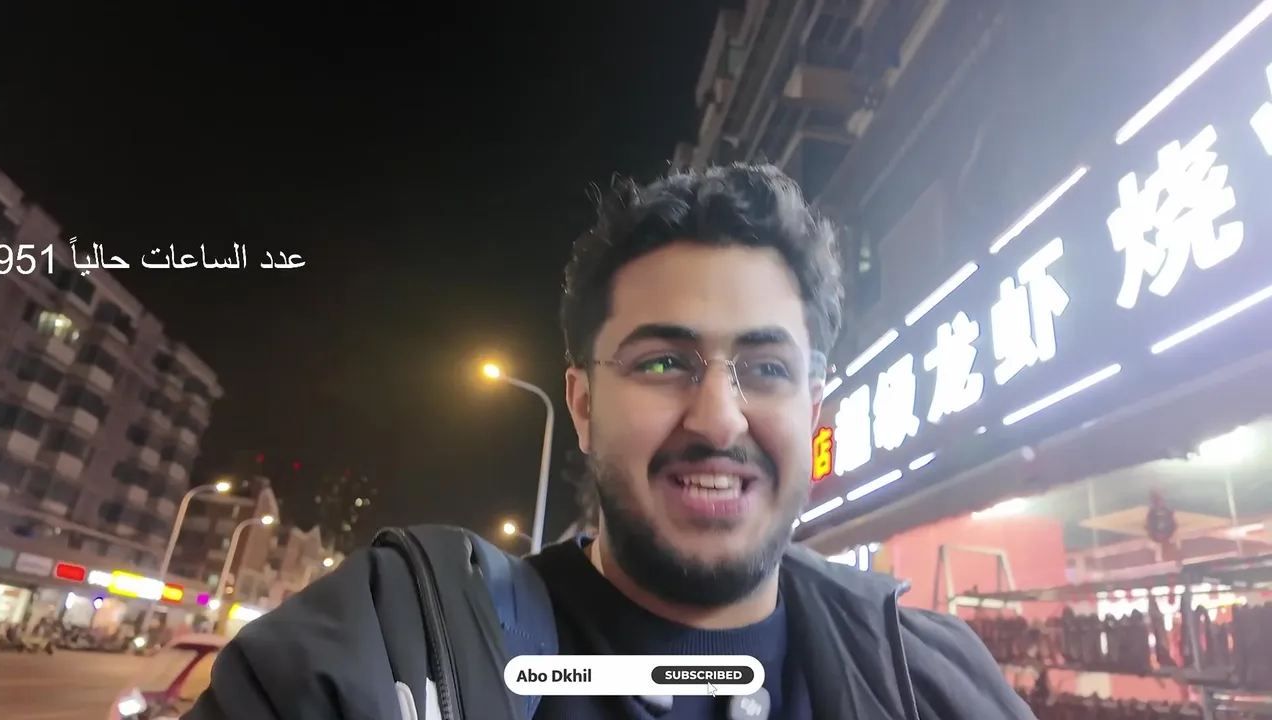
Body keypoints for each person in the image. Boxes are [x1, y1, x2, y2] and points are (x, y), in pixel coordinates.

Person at [185, 164, 1034, 719]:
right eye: (663, 362)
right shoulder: (405, 649)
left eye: (766, 368)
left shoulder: (933, 684)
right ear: (583, 405)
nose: (718, 420)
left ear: (814, 408)